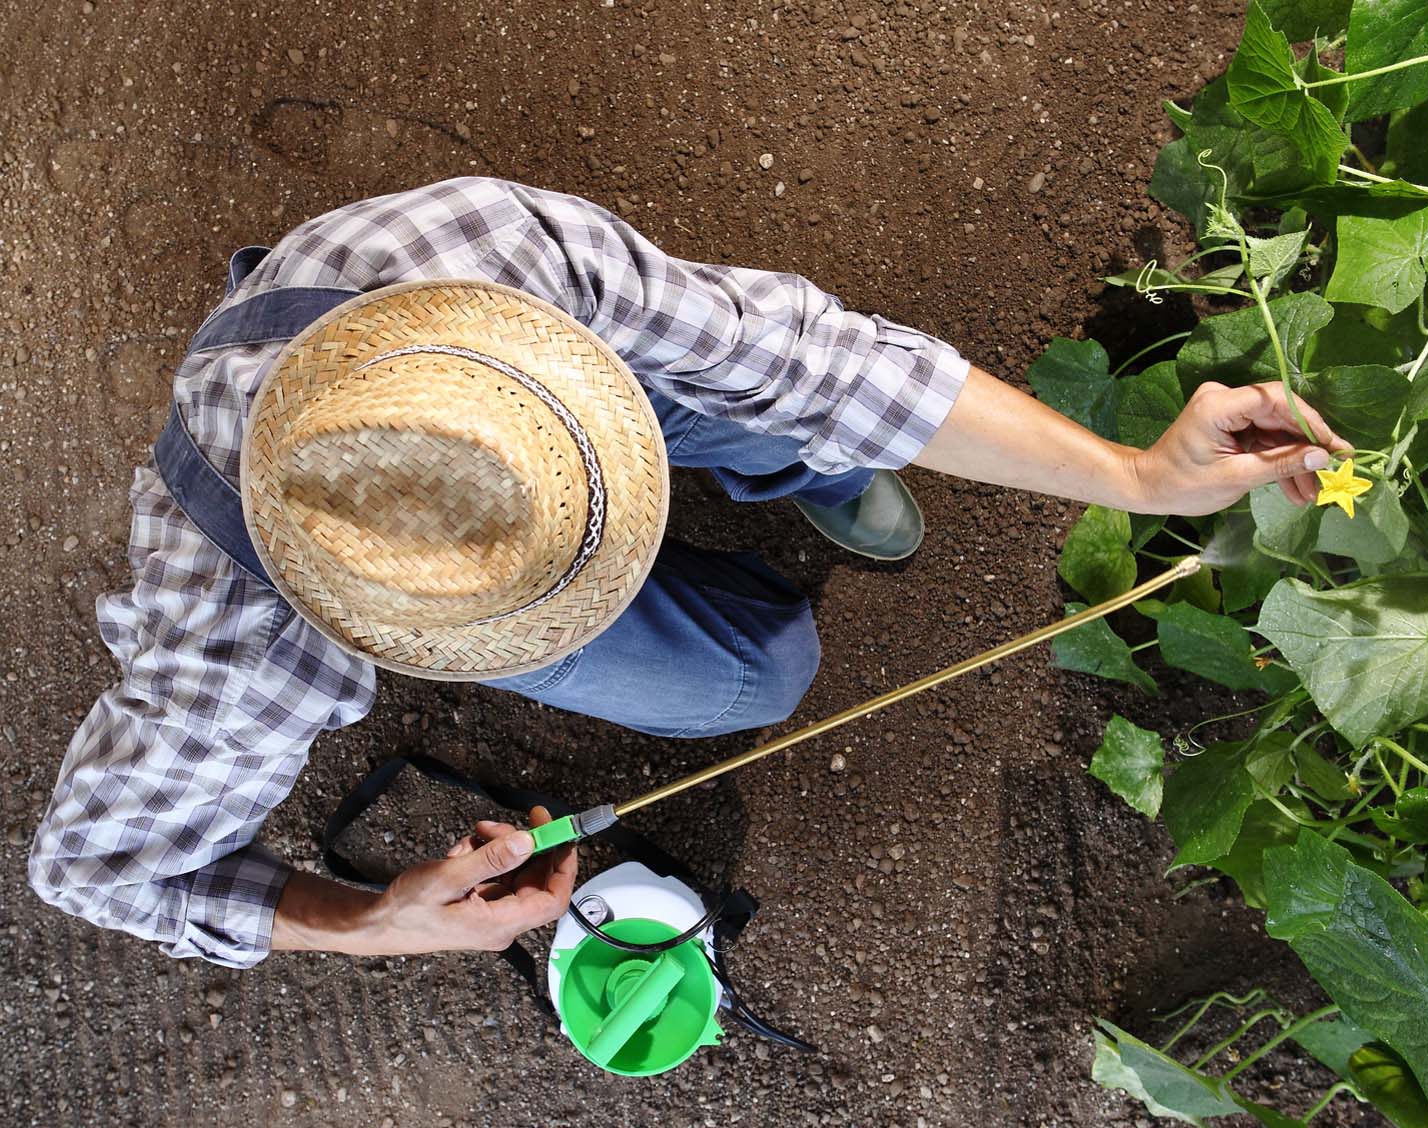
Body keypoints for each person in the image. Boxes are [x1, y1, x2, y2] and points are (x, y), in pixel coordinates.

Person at [28, 177, 1345, 969]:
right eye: (566, 552)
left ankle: (752, 462)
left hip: (511, 363)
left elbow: (818, 358)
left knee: (772, 394)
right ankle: (696, 531)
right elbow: (94, 873)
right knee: (756, 677)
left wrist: (1134, 477)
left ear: (499, 351)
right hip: (390, 544)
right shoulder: (239, 661)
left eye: (577, 479)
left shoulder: (485, 254)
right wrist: (374, 921)